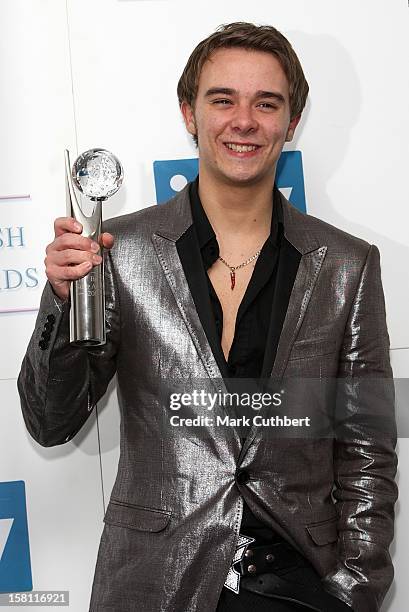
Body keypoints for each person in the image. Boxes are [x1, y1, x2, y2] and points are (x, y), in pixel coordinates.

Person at [18, 22, 397, 612]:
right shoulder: (120, 251)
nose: (243, 121)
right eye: (222, 99)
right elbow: (49, 420)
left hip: (299, 586)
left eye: (265, 103)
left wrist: (355, 590)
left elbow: (366, 447)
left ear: (291, 121)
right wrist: (63, 301)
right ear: (189, 114)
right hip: (154, 582)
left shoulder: (348, 264)